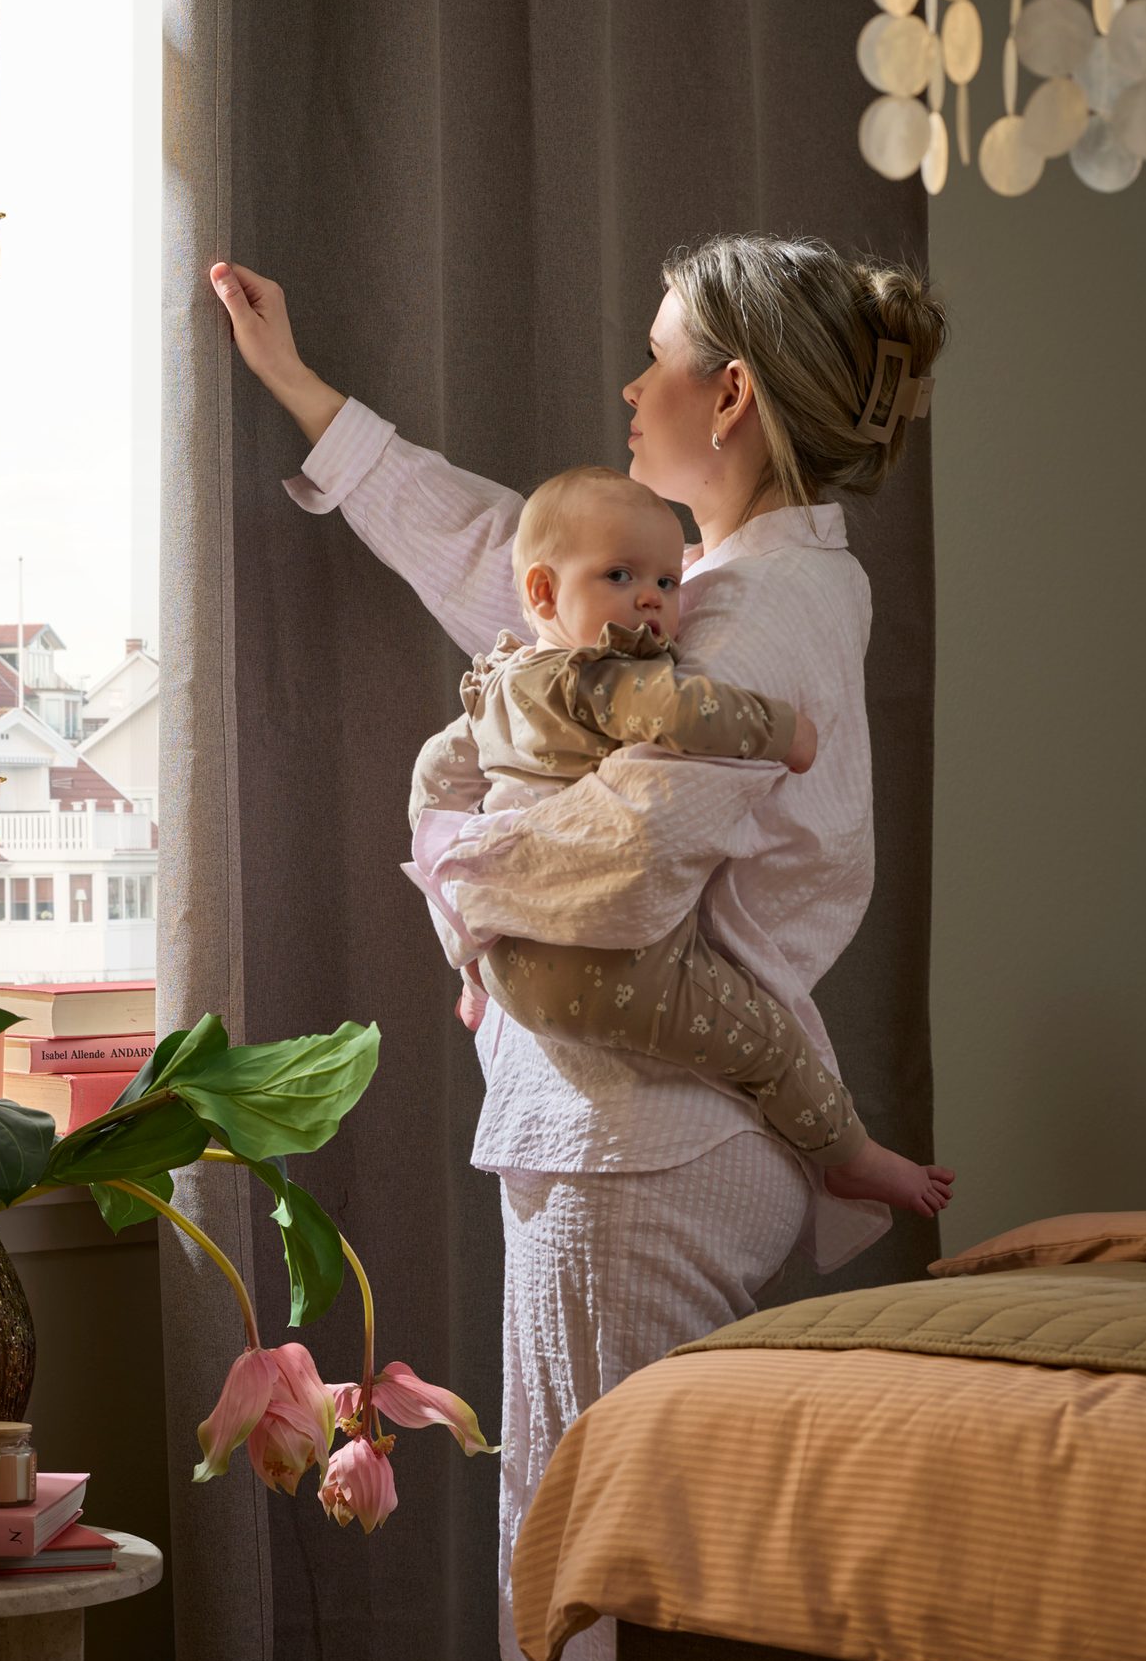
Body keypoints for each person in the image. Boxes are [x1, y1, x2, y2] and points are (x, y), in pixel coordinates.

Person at [211, 233, 954, 1661]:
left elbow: (621, 871)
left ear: (729, 393)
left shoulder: (737, 620)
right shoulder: (743, 585)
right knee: (629, 1548)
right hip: (677, 1134)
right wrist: (309, 399)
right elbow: (518, 572)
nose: (627, 386)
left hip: (636, 1142)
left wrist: (449, 866)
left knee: (572, 1554)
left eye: (657, 354)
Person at [408, 462, 952, 1211]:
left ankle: (476, 979)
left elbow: (434, 779)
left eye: (667, 584)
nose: (651, 599)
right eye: (620, 575)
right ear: (540, 592)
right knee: (762, 1039)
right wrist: (782, 731)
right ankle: (848, 1155)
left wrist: (464, 940)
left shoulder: (498, 688)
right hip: (599, 966)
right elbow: (683, 711)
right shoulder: (591, 681)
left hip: (507, 962)